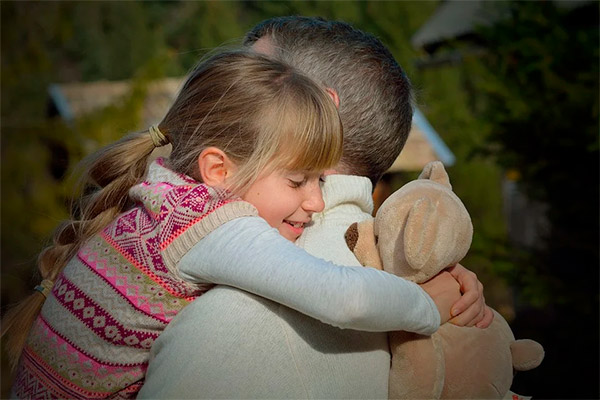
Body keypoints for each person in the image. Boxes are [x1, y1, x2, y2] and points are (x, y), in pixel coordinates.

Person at [5, 50, 461, 399]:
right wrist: (426, 306)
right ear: (219, 170)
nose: (317, 201)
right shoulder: (210, 225)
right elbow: (342, 296)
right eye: (298, 180)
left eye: (320, 180)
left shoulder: (163, 193)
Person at [139, 17, 492, 399]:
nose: (222, 96)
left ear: (320, 107)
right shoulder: (413, 280)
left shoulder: (235, 319)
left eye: (255, 76)